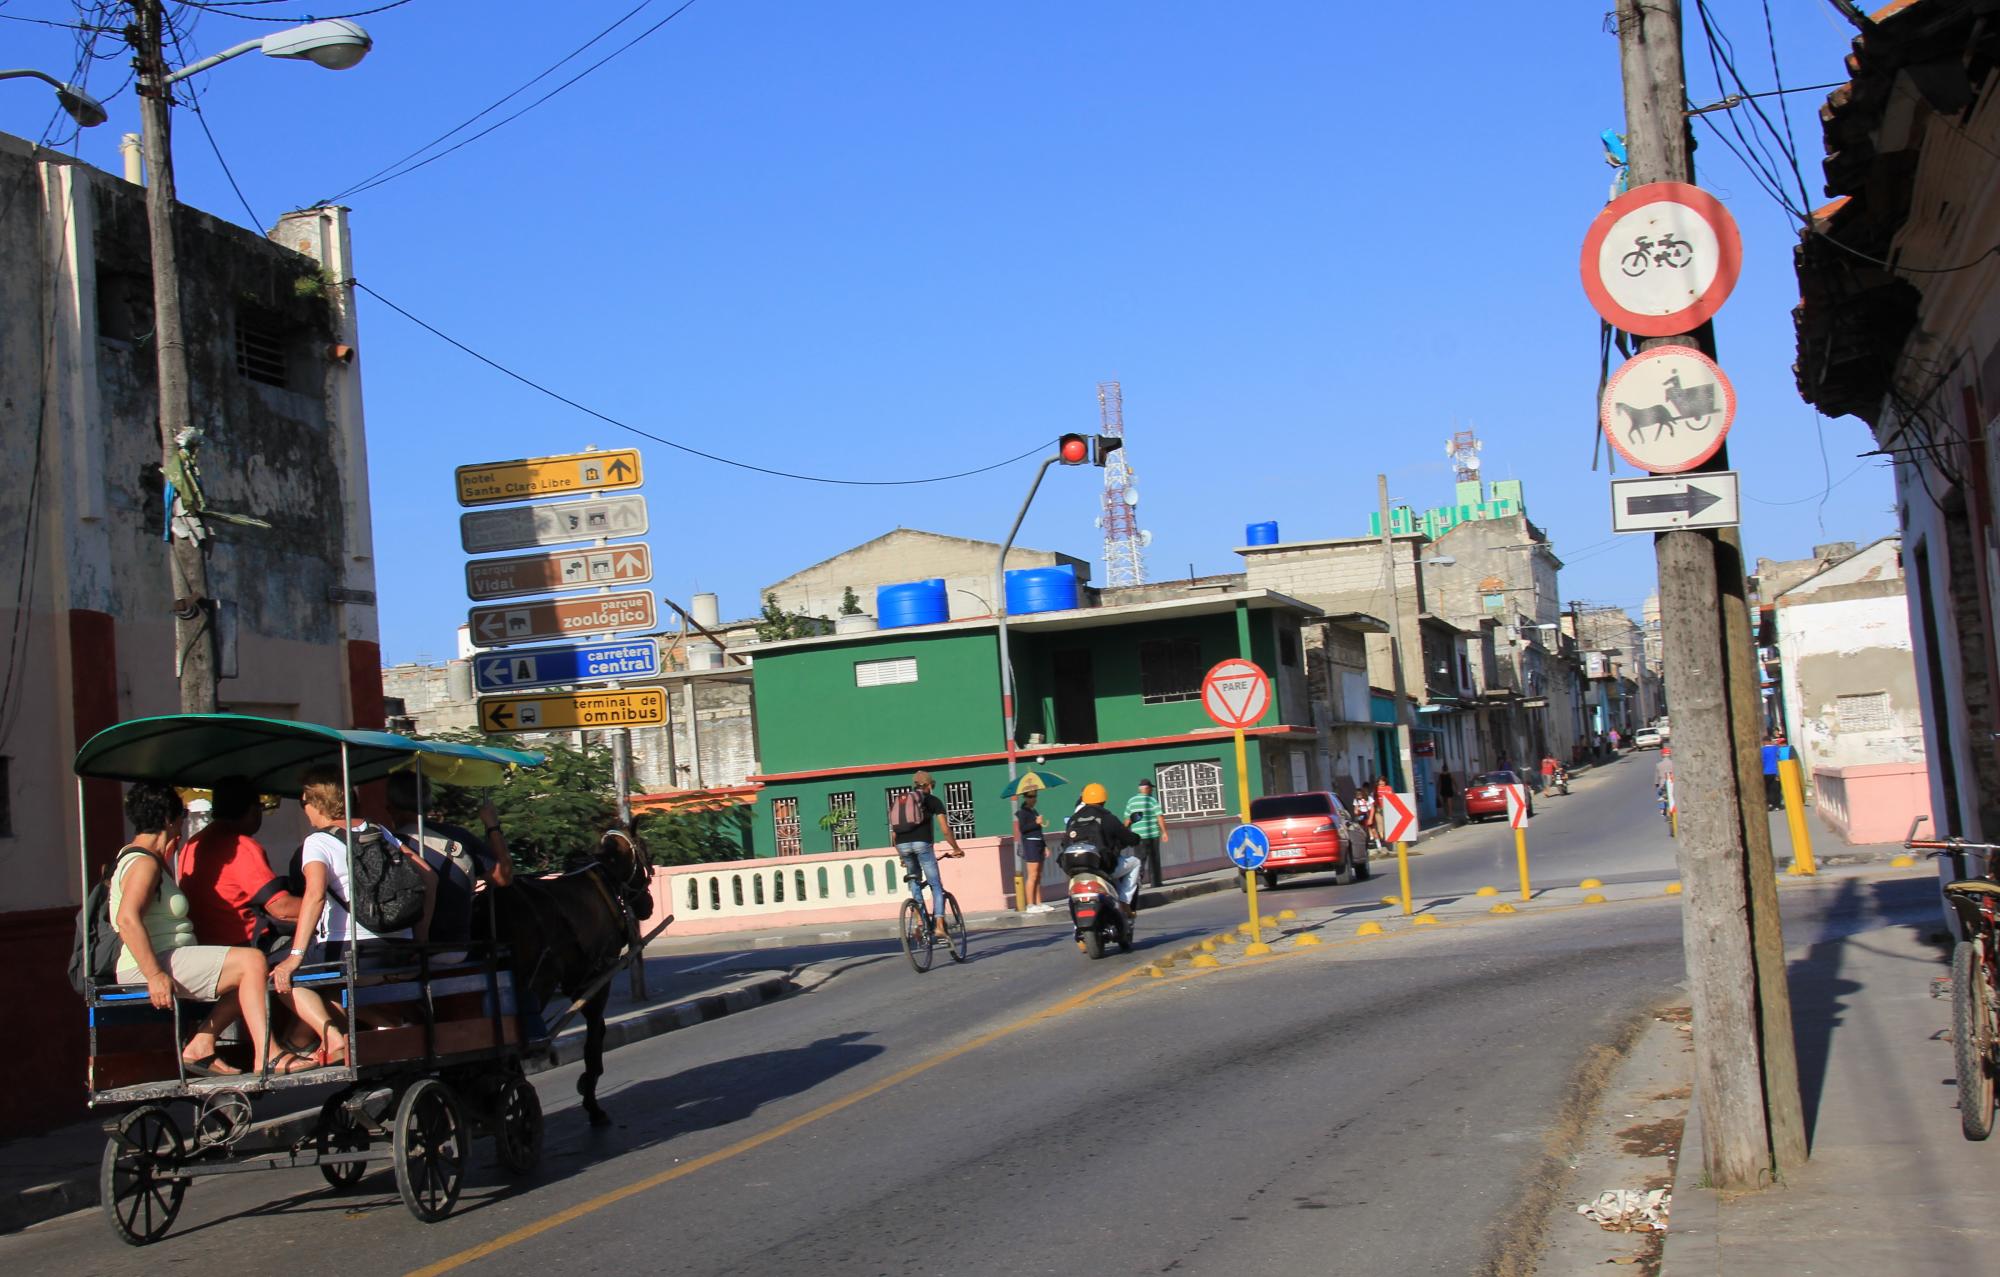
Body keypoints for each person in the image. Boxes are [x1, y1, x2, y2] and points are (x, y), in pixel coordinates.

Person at [108, 782, 305, 1076]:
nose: (182, 824)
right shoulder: (143, 863)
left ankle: (201, 1044)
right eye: (182, 817)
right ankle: (269, 1055)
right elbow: (127, 919)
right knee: (252, 961)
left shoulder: (149, 858)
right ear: (169, 819)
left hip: (167, 956)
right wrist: (154, 975)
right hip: (150, 962)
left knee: (251, 972)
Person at [176, 775, 342, 1065]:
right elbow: (281, 908)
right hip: (242, 944)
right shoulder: (240, 846)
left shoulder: (192, 845)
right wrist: (330, 910)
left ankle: (302, 1038)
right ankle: (311, 1038)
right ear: (253, 810)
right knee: (315, 957)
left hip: (204, 943)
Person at [272, 766, 437, 1013]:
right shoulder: (379, 832)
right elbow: (430, 877)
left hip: (349, 951)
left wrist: (295, 956)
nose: (304, 809)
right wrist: (420, 937)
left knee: (270, 974)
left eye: (303, 802)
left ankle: (333, 1033)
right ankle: (381, 1027)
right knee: (328, 989)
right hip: (398, 948)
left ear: (318, 804)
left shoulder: (318, 841)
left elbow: (315, 895)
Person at [386, 770, 514, 956]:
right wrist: (492, 825)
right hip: (455, 951)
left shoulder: (385, 845)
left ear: (390, 808)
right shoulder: (459, 838)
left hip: (401, 953)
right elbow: (503, 876)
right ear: (428, 804)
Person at [891, 770, 964, 938]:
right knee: (935, 884)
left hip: (902, 845)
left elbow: (894, 834)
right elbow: (945, 830)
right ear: (930, 785)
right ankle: (939, 925)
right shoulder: (932, 801)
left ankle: (920, 921)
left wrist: (902, 856)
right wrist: (956, 848)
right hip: (922, 844)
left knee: (914, 880)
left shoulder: (903, 803)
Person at [1064, 783, 1143, 916]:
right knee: (1135, 862)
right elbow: (1128, 837)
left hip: (1075, 869)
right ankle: (1124, 901)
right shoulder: (1107, 818)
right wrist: (1136, 838)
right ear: (1104, 800)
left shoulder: (1073, 820)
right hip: (1102, 867)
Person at [1123, 778, 1168, 889]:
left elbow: (1127, 820)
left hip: (1138, 836)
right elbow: (1159, 816)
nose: (1152, 791)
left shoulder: (1131, 801)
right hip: (1152, 835)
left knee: (1139, 859)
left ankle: (1137, 881)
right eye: (1151, 789)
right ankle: (1156, 882)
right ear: (1147, 789)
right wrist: (1164, 832)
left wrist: (1124, 833)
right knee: (1154, 859)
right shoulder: (1152, 800)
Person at [1015, 787, 1054, 913]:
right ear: (1025, 798)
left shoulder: (1034, 811)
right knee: (1032, 875)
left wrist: (1045, 846)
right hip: (1030, 843)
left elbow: (1039, 831)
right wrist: (1036, 823)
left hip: (1038, 843)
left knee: (1038, 875)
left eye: (1035, 796)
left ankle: (1038, 902)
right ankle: (1030, 904)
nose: (1034, 799)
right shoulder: (1022, 812)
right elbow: (1023, 829)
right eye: (1031, 796)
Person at [1761, 737, 1784, 810]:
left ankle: (1770, 804)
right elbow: (1780, 758)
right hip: (1775, 772)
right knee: (1776, 789)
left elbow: (1762, 761)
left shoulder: (1762, 750)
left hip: (1765, 772)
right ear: (1770, 741)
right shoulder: (1776, 748)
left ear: (1764, 742)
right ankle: (1777, 805)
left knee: (1767, 789)